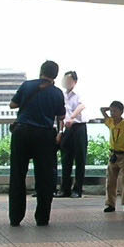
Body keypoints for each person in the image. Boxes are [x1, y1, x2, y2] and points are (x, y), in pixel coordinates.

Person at [8, 60, 66, 227]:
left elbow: (13, 104)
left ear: (41, 71)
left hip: (22, 132)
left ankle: (15, 217)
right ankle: (42, 218)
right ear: (55, 75)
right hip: (45, 135)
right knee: (45, 178)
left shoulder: (27, 86)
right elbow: (61, 117)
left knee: (18, 175)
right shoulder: (57, 93)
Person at [101, 101, 124, 213]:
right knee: (110, 181)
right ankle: (110, 204)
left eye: (115, 111)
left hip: (123, 154)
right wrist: (107, 108)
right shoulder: (110, 122)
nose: (112, 113)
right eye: (111, 111)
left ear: (121, 112)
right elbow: (102, 110)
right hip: (113, 154)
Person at [59, 70, 89, 197]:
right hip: (67, 129)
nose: (66, 82)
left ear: (75, 82)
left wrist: (72, 118)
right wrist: (60, 131)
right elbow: (60, 114)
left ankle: (77, 189)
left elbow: (81, 106)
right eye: (65, 80)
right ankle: (65, 189)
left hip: (79, 127)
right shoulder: (62, 95)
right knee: (66, 158)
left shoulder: (79, 93)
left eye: (69, 80)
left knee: (80, 159)